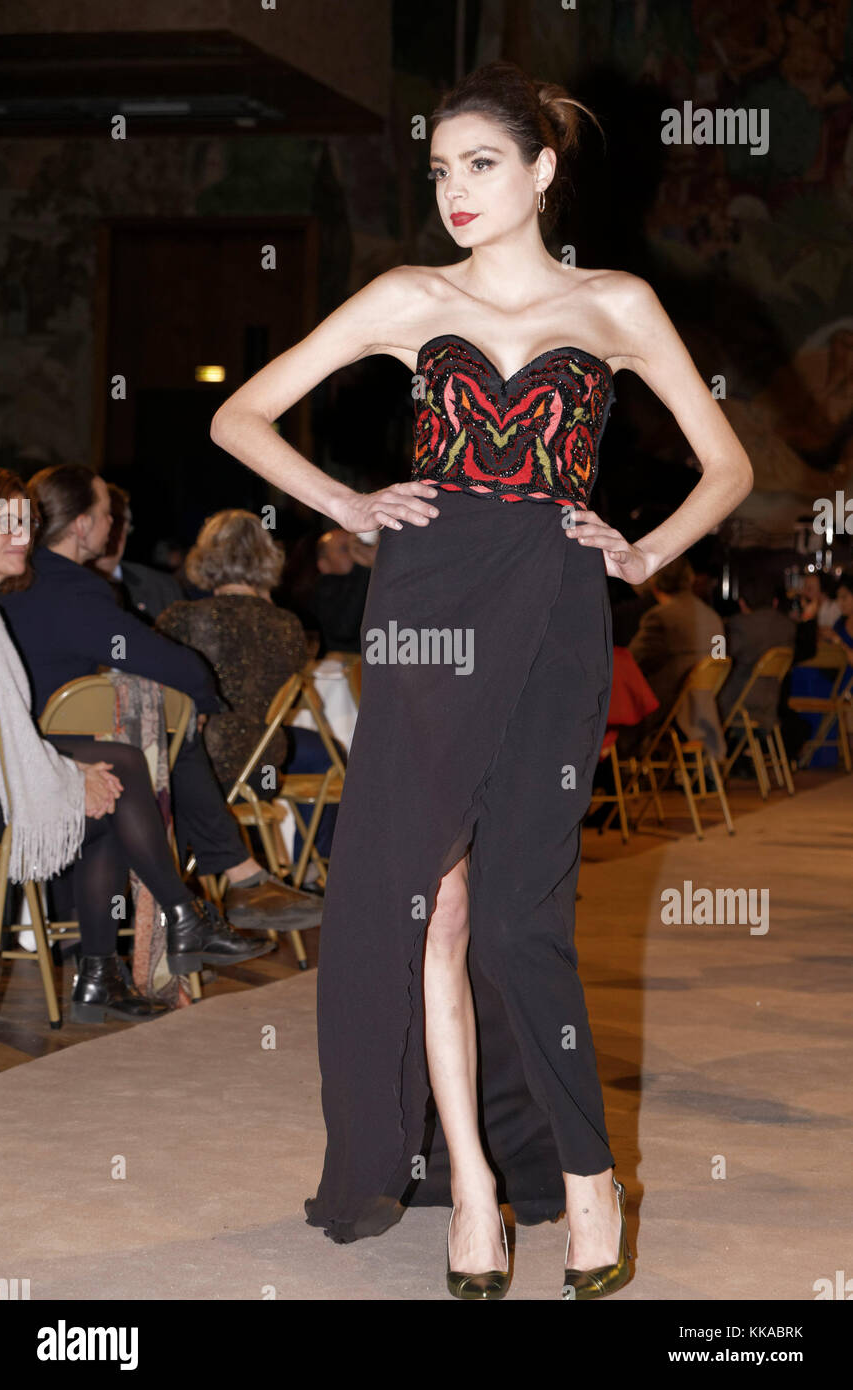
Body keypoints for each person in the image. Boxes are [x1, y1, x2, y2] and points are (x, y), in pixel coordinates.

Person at [207, 60, 753, 1299]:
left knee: (515, 914)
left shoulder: (615, 304)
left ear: (542, 171)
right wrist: (345, 501)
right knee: (432, 909)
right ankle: (473, 1194)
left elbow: (724, 466)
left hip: (555, 607)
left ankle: (585, 1175)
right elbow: (241, 416)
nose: (453, 189)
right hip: (423, 608)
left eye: (481, 165)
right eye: (441, 168)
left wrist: (642, 551)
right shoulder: (407, 296)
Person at [0, 469, 274, 1023]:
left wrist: (74, 769)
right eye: (3, 521)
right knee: (117, 784)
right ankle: (165, 926)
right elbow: (10, 745)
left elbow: (9, 739)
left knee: (115, 769)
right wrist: (73, 775)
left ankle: (109, 968)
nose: (20, 533)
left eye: (25, 521)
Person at [156, 509, 342, 874]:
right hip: (261, 771)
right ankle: (313, 868)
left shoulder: (179, 618)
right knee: (331, 755)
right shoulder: (288, 625)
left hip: (193, 770)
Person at [625, 554, 728, 761]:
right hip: (705, 708)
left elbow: (631, 662)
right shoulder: (712, 617)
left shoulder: (661, 616)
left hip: (669, 710)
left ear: (654, 581)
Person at [91, 483, 183, 622]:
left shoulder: (163, 589)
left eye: (119, 522)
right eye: (104, 521)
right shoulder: (64, 587)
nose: (110, 533)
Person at [718, 569, 797, 732]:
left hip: (739, 700)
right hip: (770, 702)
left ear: (742, 602)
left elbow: (718, 657)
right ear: (773, 601)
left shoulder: (740, 625)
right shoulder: (787, 626)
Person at [312, 529, 377, 654]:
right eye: (345, 549)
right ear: (324, 565)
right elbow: (344, 630)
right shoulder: (325, 588)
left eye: (358, 546)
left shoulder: (371, 576)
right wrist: (363, 566)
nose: (355, 553)